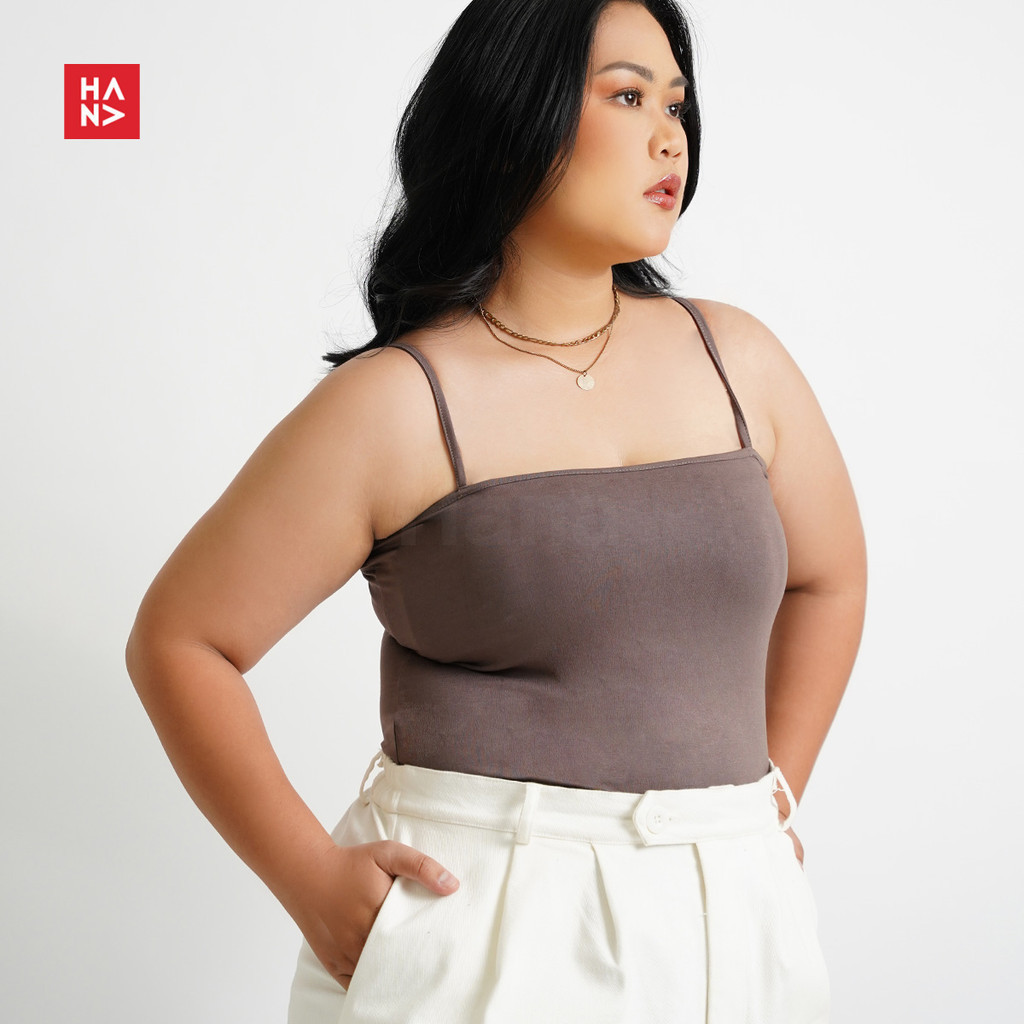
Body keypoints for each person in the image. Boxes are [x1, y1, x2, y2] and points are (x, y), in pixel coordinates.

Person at [125, 0, 867, 1021]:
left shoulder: (738, 359)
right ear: (516, 111)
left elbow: (830, 577)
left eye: (677, 105)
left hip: (731, 920)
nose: (670, 136)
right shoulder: (395, 404)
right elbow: (181, 640)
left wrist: (769, 797)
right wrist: (310, 880)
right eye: (627, 97)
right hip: (481, 916)